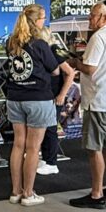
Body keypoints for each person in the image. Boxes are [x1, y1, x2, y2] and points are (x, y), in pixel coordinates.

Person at [68, 1, 106, 209]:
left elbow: (90, 69)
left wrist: (76, 63)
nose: (89, 19)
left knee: (94, 148)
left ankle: (96, 194)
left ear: (104, 17)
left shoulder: (99, 38)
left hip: (99, 101)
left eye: (93, 15)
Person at [3, 4, 60, 207]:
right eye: (43, 17)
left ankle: (15, 191)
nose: (44, 21)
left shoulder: (11, 43)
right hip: (38, 99)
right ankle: (28, 193)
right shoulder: (40, 44)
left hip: (15, 97)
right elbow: (55, 71)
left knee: (18, 145)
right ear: (36, 21)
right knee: (33, 148)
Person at [37, 38, 76, 175]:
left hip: (55, 96)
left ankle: (51, 162)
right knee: (45, 128)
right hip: (46, 96)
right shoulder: (46, 51)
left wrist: (62, 95)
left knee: (51, 129)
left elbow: (70, 72)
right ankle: (45, 158)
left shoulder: (53, 50)